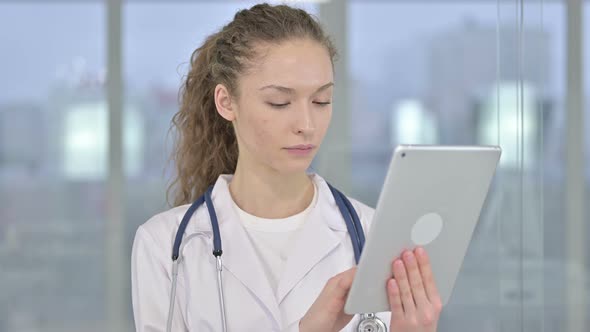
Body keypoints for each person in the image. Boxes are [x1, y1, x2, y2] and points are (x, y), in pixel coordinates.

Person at [131, 3, 442, 331]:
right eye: (280, 102)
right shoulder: (166, 245)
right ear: (226, 102)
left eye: (321, 101)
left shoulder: (375, 236)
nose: (307, 124)